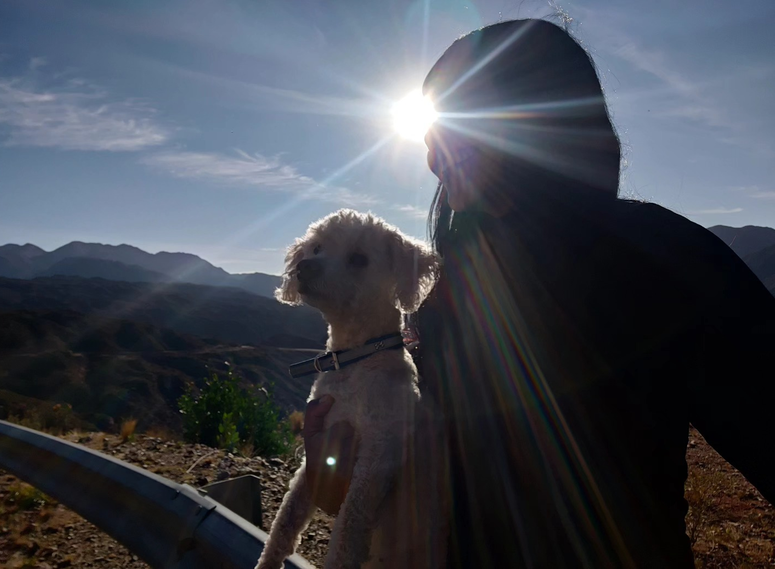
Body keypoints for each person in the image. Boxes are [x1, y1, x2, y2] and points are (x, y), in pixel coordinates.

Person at [303, 18, 775, 568]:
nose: (434, 157)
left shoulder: (663, 262)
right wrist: (330, 469)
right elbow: (381, 485)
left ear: (543, 121)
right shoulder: (448, 291)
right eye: (431, 133)